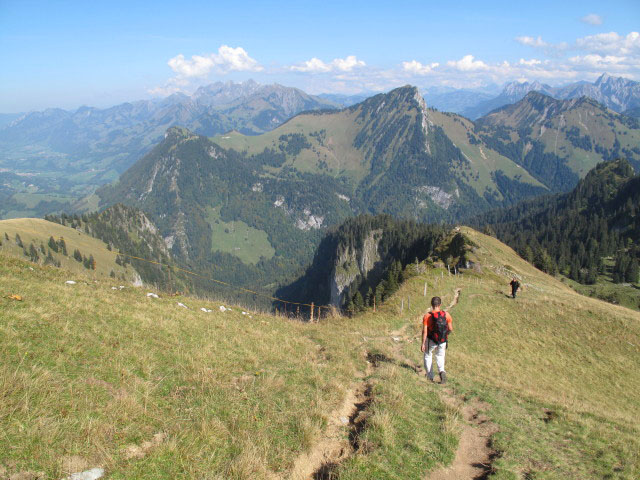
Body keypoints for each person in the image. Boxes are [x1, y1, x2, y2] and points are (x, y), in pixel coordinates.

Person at [421, 296, 453, 384]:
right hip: (442, 340)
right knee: (440, 356)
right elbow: (450, 328)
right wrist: (444, 336)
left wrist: (423, 343)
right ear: (440, 304)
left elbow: (425, 332)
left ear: (431, 305)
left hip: (431, 340)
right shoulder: (446, 315)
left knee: (428, 355)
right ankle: (442, 372)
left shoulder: (427, 316)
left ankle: (430, 376)